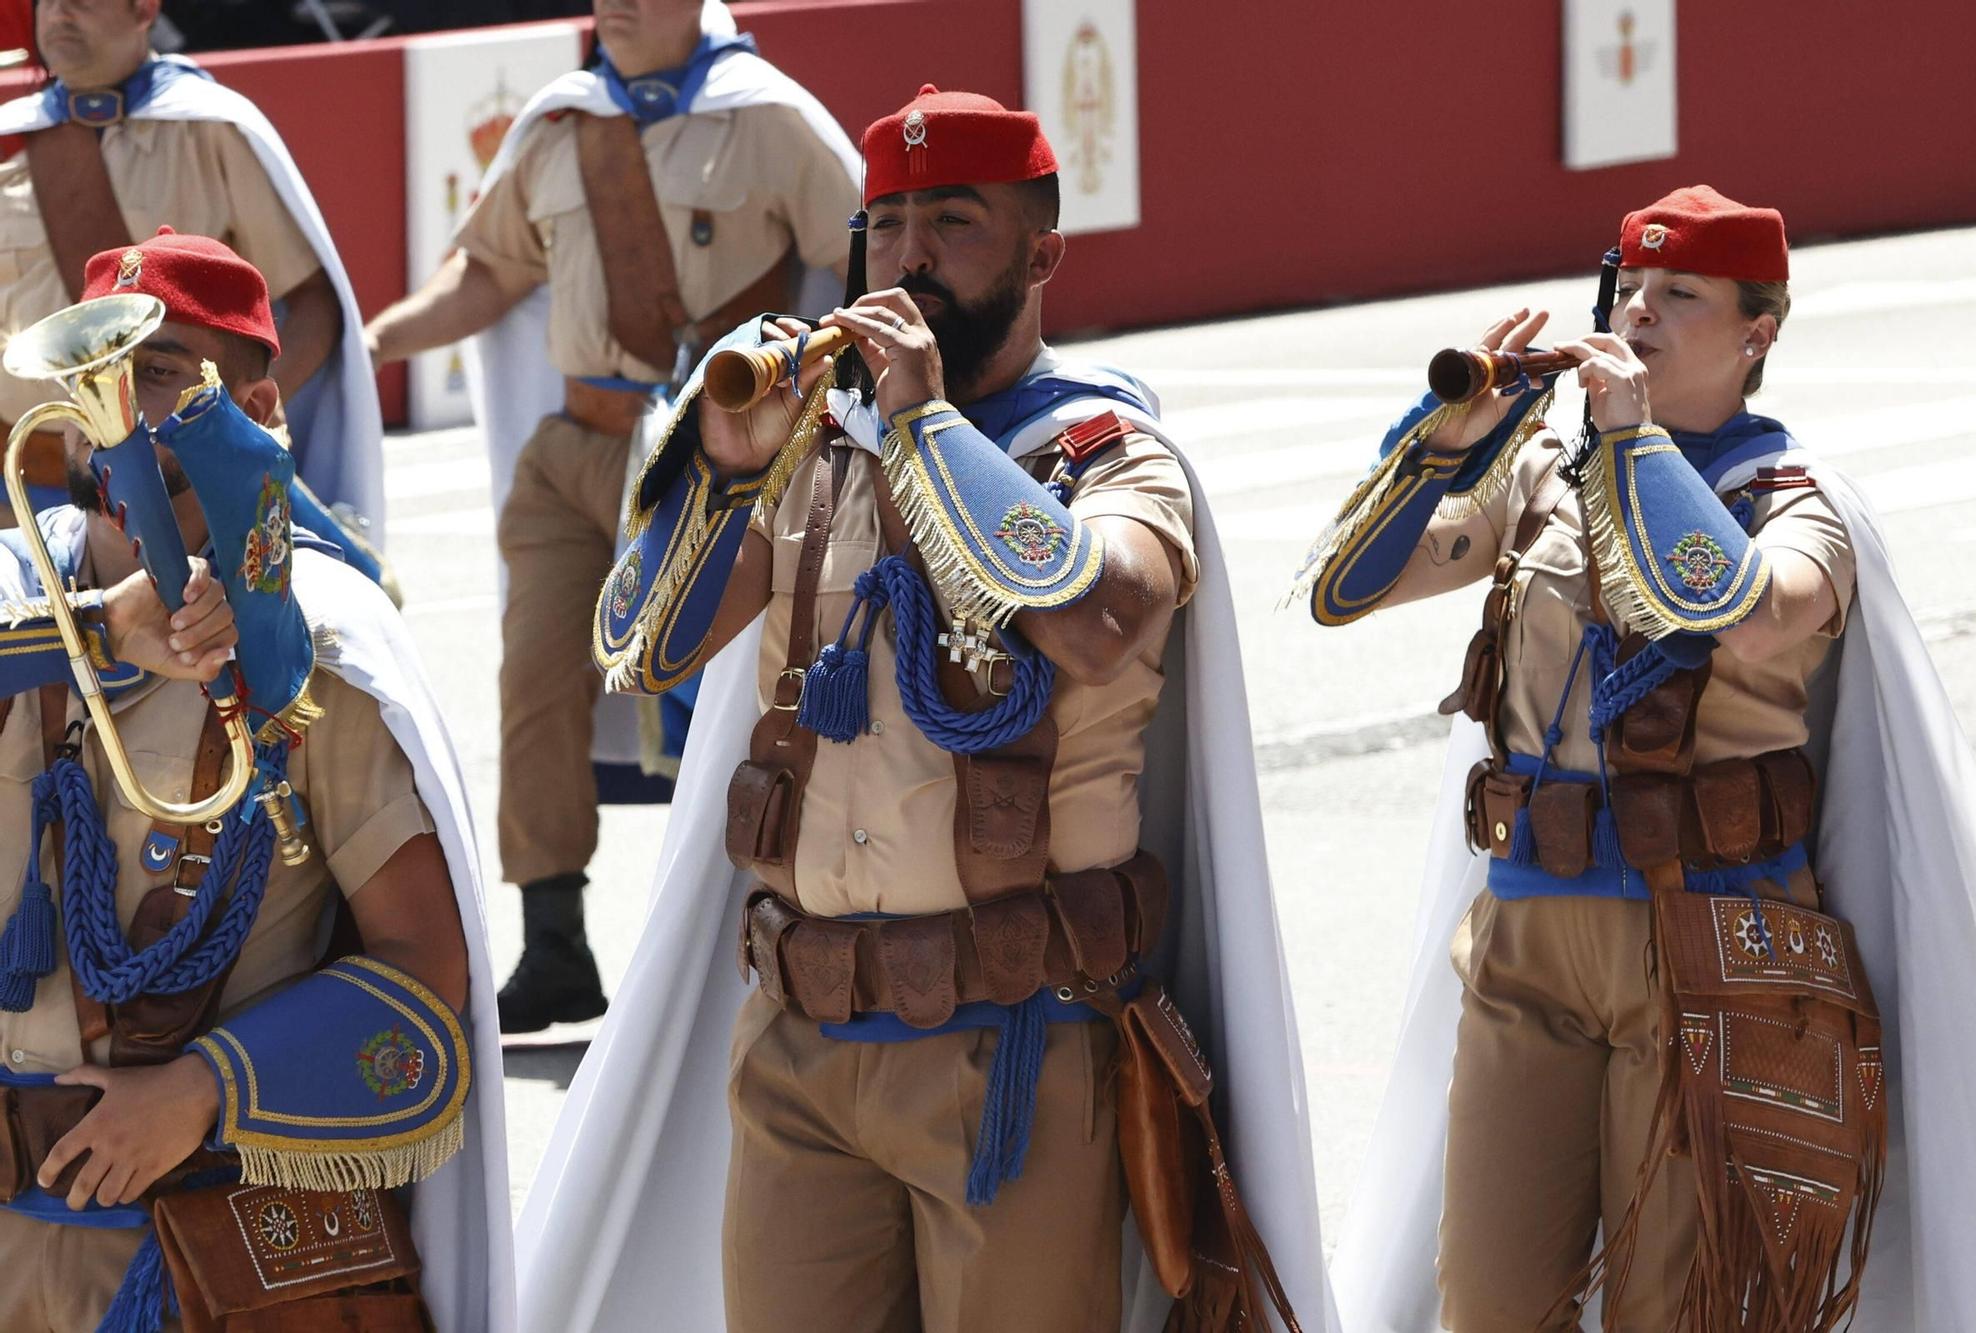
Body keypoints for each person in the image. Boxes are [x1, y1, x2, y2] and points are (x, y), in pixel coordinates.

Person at [512, 85, 1334, 1333]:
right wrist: (727, 476)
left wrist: (924, 423)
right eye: (885, 223)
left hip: (1010, 1043)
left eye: (952, 222)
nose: (905, 255)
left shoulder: (1107, 451)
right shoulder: (812, 452)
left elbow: (1096, 617)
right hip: (801, 1041)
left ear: (1041, 254)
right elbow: (640, 649)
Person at [1304, 186, 1976, 1330]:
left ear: (1756, 332)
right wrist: (1446, 447)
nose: (1637, 313)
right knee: (1485, 1297)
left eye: (1678, 296)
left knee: (1671, 1307)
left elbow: (1746, 610)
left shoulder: (1794, 502)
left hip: (1711, 949)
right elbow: (1348, 586)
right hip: (1530, 934)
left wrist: (1633, 441)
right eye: (1628, 288)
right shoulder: (1544, 483)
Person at [0, 229, 511, 1331]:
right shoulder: (14, 591)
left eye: (166, 371)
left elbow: (426, 967)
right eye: (106, 374)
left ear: (262, 401)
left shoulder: (320, 638)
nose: (125, 411)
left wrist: (202, 1091)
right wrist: (93, 634)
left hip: (207, 1238)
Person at [364, 0, 860, 1034]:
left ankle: (726, 928)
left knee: (716, 691)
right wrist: (378, 342)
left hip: (711, 458)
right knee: (534, 681)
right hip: (570, 450)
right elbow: (489, 272)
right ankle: (553, 939)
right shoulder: (560, 120)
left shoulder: (767, 117)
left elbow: (860, 263)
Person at [0, 0, 387, 565]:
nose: (57, 14)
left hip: (184, 491)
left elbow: (313, 305)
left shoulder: (210, 126)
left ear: (143, 8)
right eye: (44, 1)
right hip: (24, 487)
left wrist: (240, 419)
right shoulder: (14, 138)